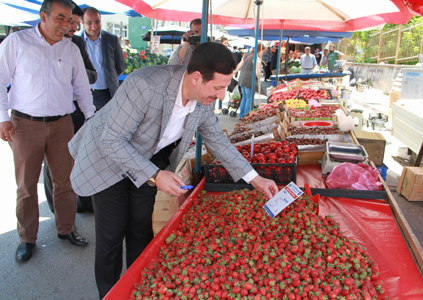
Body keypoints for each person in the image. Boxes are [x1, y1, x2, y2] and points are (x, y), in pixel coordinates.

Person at [68, 42, 278, 298]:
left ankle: (139, 290)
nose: (223, 95)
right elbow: (111, 141)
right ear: (197, 78)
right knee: (111, 237)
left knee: (140, 229)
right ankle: (109, 293)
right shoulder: (144, 85)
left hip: (147, 158)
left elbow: (219, 141)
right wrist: (155, 175)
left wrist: (255, 179)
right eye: (219, 88)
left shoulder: (202, 101)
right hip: (106, 160)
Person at [0, 0, 96, 263]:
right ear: (43, 16)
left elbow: (81, 88)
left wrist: (91, 119)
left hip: (62, 124)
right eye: (60, 19)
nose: (66, 26)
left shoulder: (71, 48)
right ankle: (26, 238)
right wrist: (2, 118)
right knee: (27, 185)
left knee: (65, 181)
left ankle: (67, 229)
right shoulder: (18, 42)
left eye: (69, 20)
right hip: (24, 124)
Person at [43, 1, 97, 214]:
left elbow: (92, 75)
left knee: (76, 157)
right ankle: (55, 208)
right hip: (46, 113)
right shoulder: (36, 42)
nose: (72, 27)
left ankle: (79, 203)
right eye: (69, 22)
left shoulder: (75, 45)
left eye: (75, 23)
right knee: (51, 166)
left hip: (75, 110)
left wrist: (77, 73)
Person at [81, 6, 125, 110]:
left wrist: (110, 77)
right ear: (82, 22)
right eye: (89, 23)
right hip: (83, 94)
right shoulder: (75, 40)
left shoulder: (111, 39)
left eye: (97, 22)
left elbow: (120, 66)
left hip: (107, 94)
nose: (94, 26)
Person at [235, 44, 264, 119]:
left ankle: (241, 115)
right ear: (259, 51)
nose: (263, 54)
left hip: (242, 78)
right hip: (249, 79)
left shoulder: (246, 55)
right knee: (249, 98)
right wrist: (259, 79)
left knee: (244, 97)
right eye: (263, 52)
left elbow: (239, 66)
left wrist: (234, 71)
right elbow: (257, 72)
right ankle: (246, 116)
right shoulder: (256, 58)